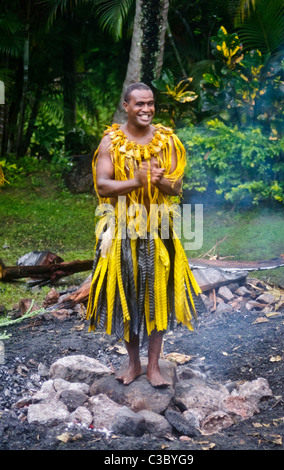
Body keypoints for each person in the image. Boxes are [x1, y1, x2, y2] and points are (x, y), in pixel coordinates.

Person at [86, 82, 201, 387]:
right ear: (126, 106)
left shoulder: (167, 141)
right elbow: (102, 185)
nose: (147, 109)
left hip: (160, 229)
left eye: (150, 103)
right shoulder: (111, 141)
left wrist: (161, 182)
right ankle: (133, 364)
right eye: (139, 104)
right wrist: (137, 181)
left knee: (158, 296)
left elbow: (177, 187)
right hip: (123, 229)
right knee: (129, 297)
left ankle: (153, 366)